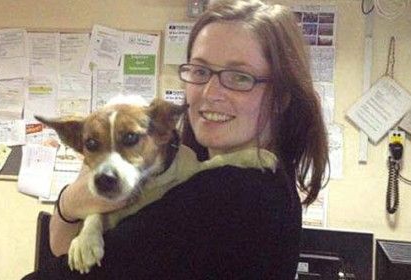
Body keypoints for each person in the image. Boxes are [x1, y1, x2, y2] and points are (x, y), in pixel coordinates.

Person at [23, 0, 328, 279]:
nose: (210, 93)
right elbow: (64, 251)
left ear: (281, 97)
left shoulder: (232, 194)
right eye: (200, 70)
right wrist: (71, 203)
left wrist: (71, 205)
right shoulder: (245, 179)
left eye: (239, 77)